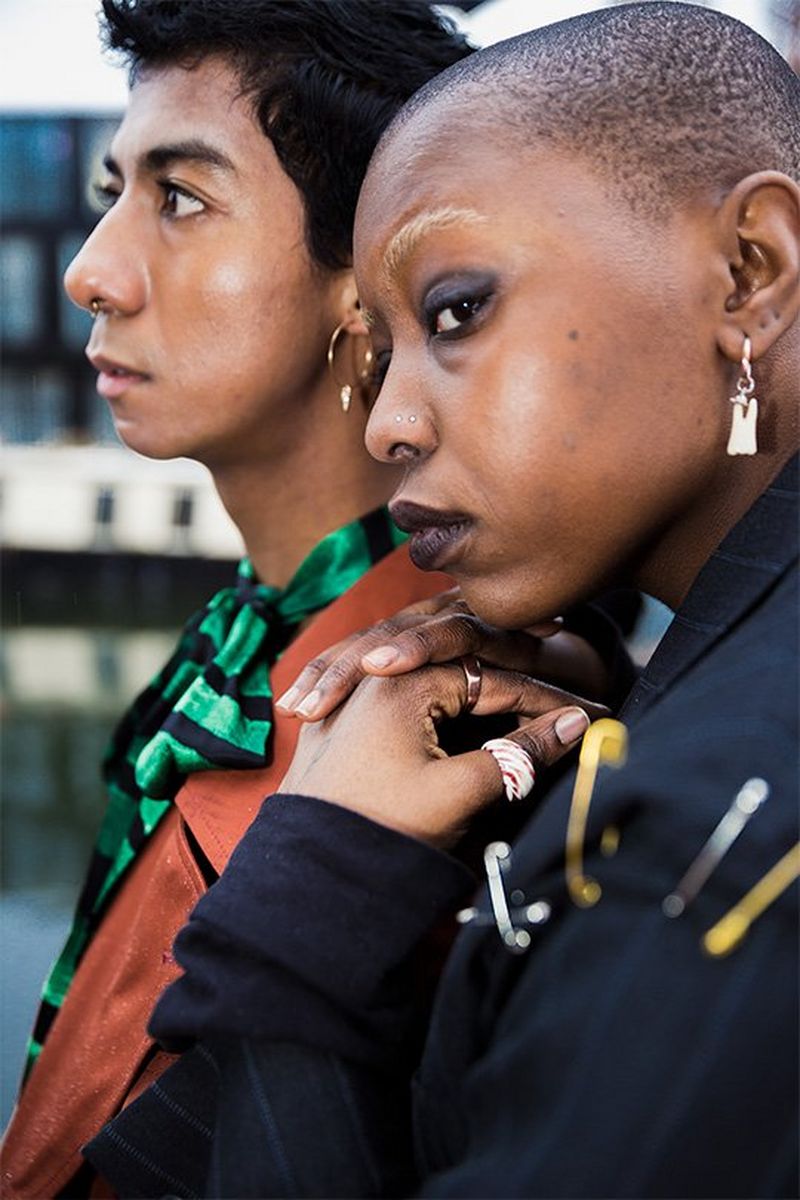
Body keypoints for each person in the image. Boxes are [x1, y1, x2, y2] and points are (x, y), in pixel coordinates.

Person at [80, 3, 799, 1197]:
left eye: (456, 312)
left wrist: (309, 902)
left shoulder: (718, 827)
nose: (389, 419)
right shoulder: (666, 730)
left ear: (748, 271)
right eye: (389, 339)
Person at [0, 5, 482, 1196]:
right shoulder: (269, 629)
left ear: (365, 286)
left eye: (179, 197)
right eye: (112, 189)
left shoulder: (424, 710)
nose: (89, 271)